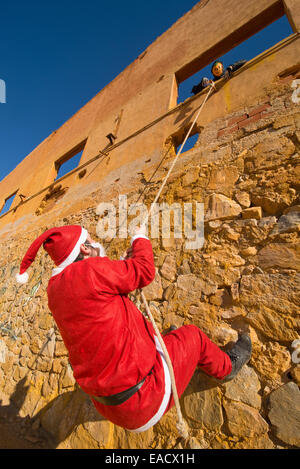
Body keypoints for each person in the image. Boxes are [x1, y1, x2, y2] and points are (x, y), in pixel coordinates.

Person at [16, 225, 252, 432]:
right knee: (192, 336)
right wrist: (139, 239)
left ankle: (172, 349)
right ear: (85, 248)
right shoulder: (93, 270)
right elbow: (144, 271)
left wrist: (119, 265)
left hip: (108, 406)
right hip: (143, 400)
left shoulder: (54, 290)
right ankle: (227, 368)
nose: (97, 243)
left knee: (165, 337)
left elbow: (103, 299)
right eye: (91, 240)